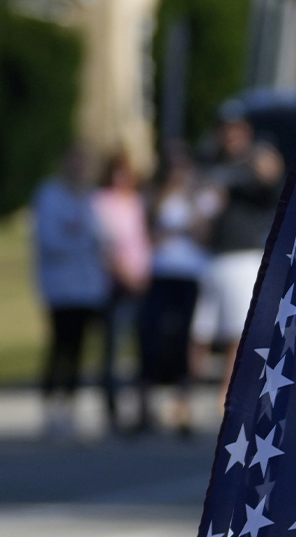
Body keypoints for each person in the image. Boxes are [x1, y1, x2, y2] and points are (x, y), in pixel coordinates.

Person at [192, 114, 283, 392]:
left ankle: (225, 397)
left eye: (236, 130)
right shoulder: (212, 164)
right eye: (226, 130)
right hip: (214, 257)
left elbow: (271, 173)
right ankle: (190, 395)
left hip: (245, 256)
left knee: (237, 333)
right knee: (200, 333)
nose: (230, 136)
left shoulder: (258, 159)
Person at [31, 146, 110, 441]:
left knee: (78, 350)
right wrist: (80, 238)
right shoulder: (50, 195)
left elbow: (101, 238)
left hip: (88, 287)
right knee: (59, 345)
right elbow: (51, 240)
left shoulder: (92, 198)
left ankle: (70, 406)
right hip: (60, 287)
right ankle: (51, 406)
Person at [138, 144, 215, 435]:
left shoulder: (199, 198)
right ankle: (144, 405)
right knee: (152, 337)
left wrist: (189, 209)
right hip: (160, 273)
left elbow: (202, 233)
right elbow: (152, 236)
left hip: (190, 274)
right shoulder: (155, 196)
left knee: (186, 339)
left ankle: (183, 407)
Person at [94, 150, 153, 434]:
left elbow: (142, 239)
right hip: (115, 283)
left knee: (143, 344)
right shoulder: (101, 202)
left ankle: (143, 407)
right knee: (114, 347)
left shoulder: (136, 201)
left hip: (141, 278)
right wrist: (124, 274)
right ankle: (111, 408)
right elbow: (105, 243)